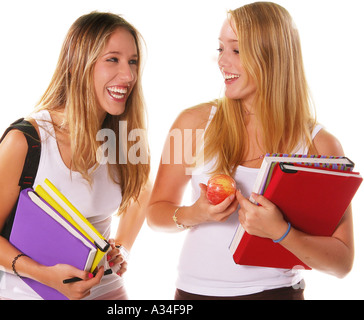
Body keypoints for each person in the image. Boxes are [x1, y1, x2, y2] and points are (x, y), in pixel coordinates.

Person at [146, 2, 354, 300]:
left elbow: (341, 263)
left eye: (236, 50)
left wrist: (281, 232)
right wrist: (197, 213)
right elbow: (156, 213)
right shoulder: (193, 123)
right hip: (192, 295)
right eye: (220, 49)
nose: (222, 61)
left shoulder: (318, 146)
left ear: (272, 55)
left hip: (276, 294)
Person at [0, 12, 151, 300]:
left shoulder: (125, 137)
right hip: (32, 293)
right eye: (112, 59)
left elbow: (141, 192)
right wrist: (45, 275)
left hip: (109, 293)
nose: (128, 76)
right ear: (80, 64)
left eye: (133, 61)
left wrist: (122, 246)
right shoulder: (27, 140)